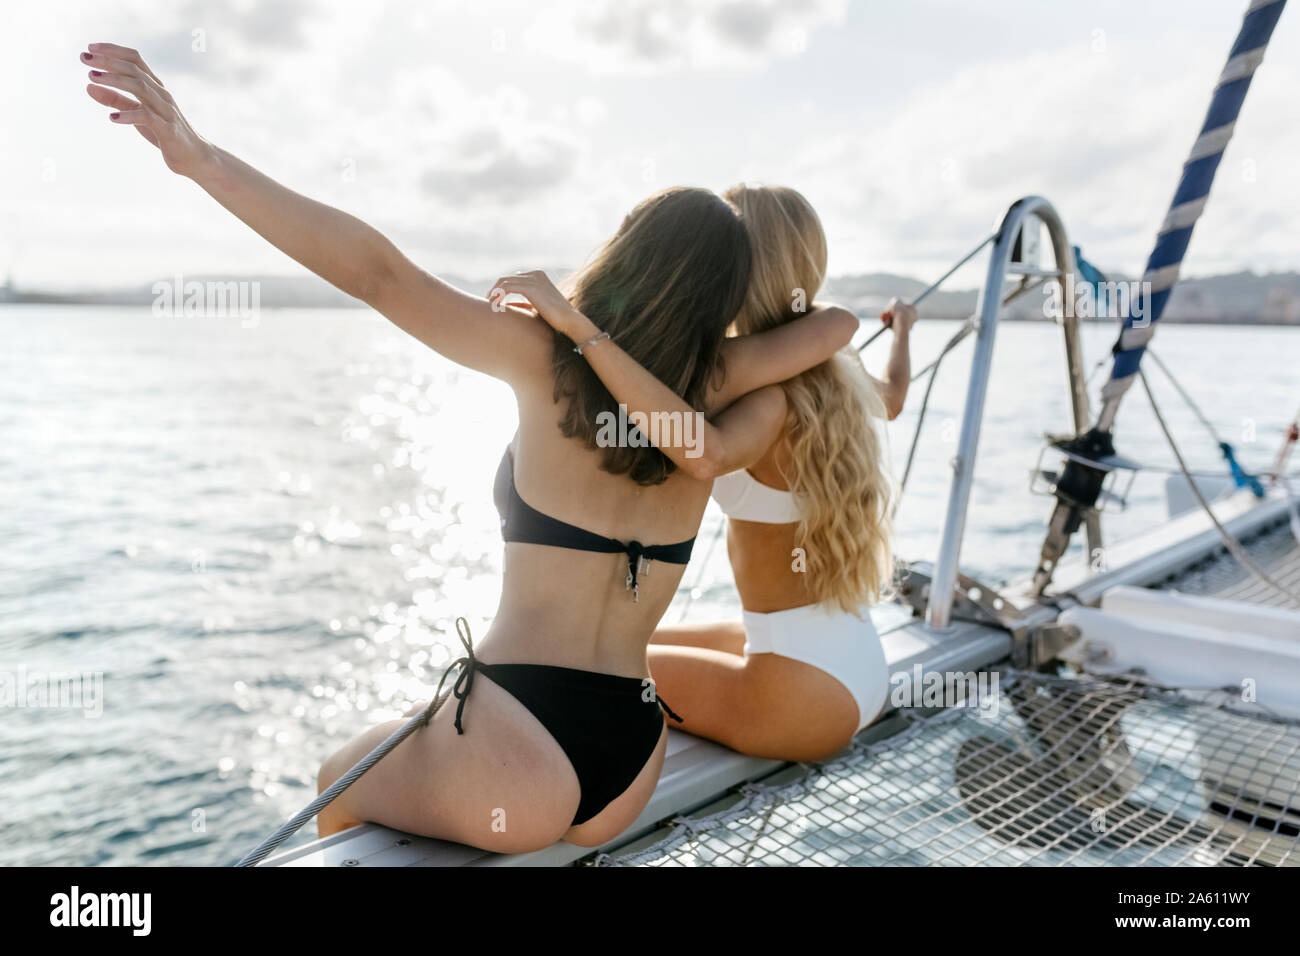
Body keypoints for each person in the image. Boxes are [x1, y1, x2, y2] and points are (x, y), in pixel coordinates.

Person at [83, 44, 860, 851]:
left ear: (627, 252)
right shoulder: (725, 380)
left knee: (334, 782)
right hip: (632, 756)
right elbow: (834, 326)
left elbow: (379, 274)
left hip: (520, 748)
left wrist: (203, 161)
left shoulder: (541, 356)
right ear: (721, 300)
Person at [517, 184, 915, 763]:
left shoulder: (773, 392)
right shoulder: (839, 372)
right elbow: (896, 398)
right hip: (849, 660)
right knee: (609, 644)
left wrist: (583, 331)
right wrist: (902, 331)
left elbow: (704, 452)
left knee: (563, 669)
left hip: (800, 694)